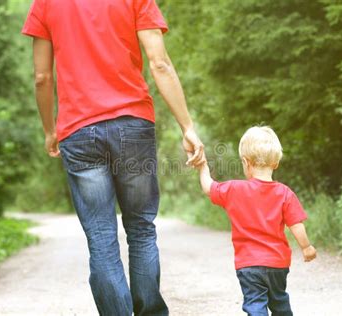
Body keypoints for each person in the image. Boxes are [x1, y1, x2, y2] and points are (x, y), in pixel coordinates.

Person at [21, 0, 205, 315]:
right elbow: (159, 62)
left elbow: (41, 77)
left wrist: (50, 129)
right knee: (141, 227)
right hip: (133, 123)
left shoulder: (46, 3)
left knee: (101, 238)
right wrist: (187, 126)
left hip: (78, 130)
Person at [198, 126, 317, 316]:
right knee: (279, 301)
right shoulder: (284, 193)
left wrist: (202, 166)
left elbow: (208, 187)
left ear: (246, 162)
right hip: (278, 263)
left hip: (249, 265)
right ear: (276, 163)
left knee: (255, 305)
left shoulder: (234, 189)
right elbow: (296, 224)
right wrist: (306, 247)